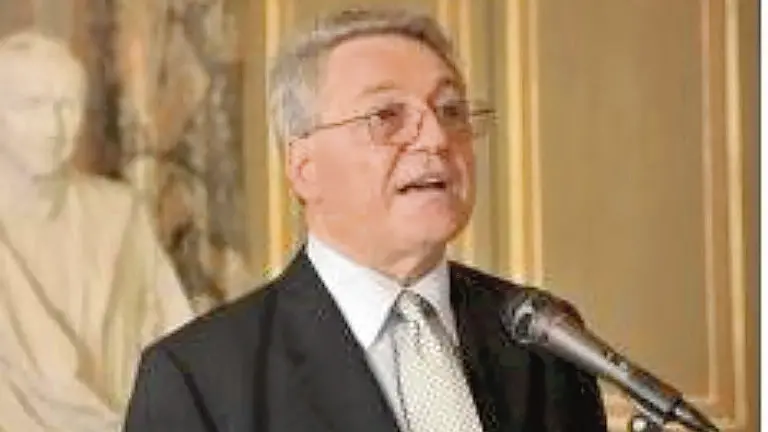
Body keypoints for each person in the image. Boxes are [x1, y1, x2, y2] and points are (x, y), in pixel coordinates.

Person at [124, 7, 608, 432]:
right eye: (386, 116)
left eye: (450, 110)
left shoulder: (545, 340)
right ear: (304, 167)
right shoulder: (199, 379)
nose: (437, 139)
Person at [0, 31, 193, 431]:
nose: (51, 127)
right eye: (31, 106)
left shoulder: (119, 216)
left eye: (66, 107)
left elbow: (180, 339)